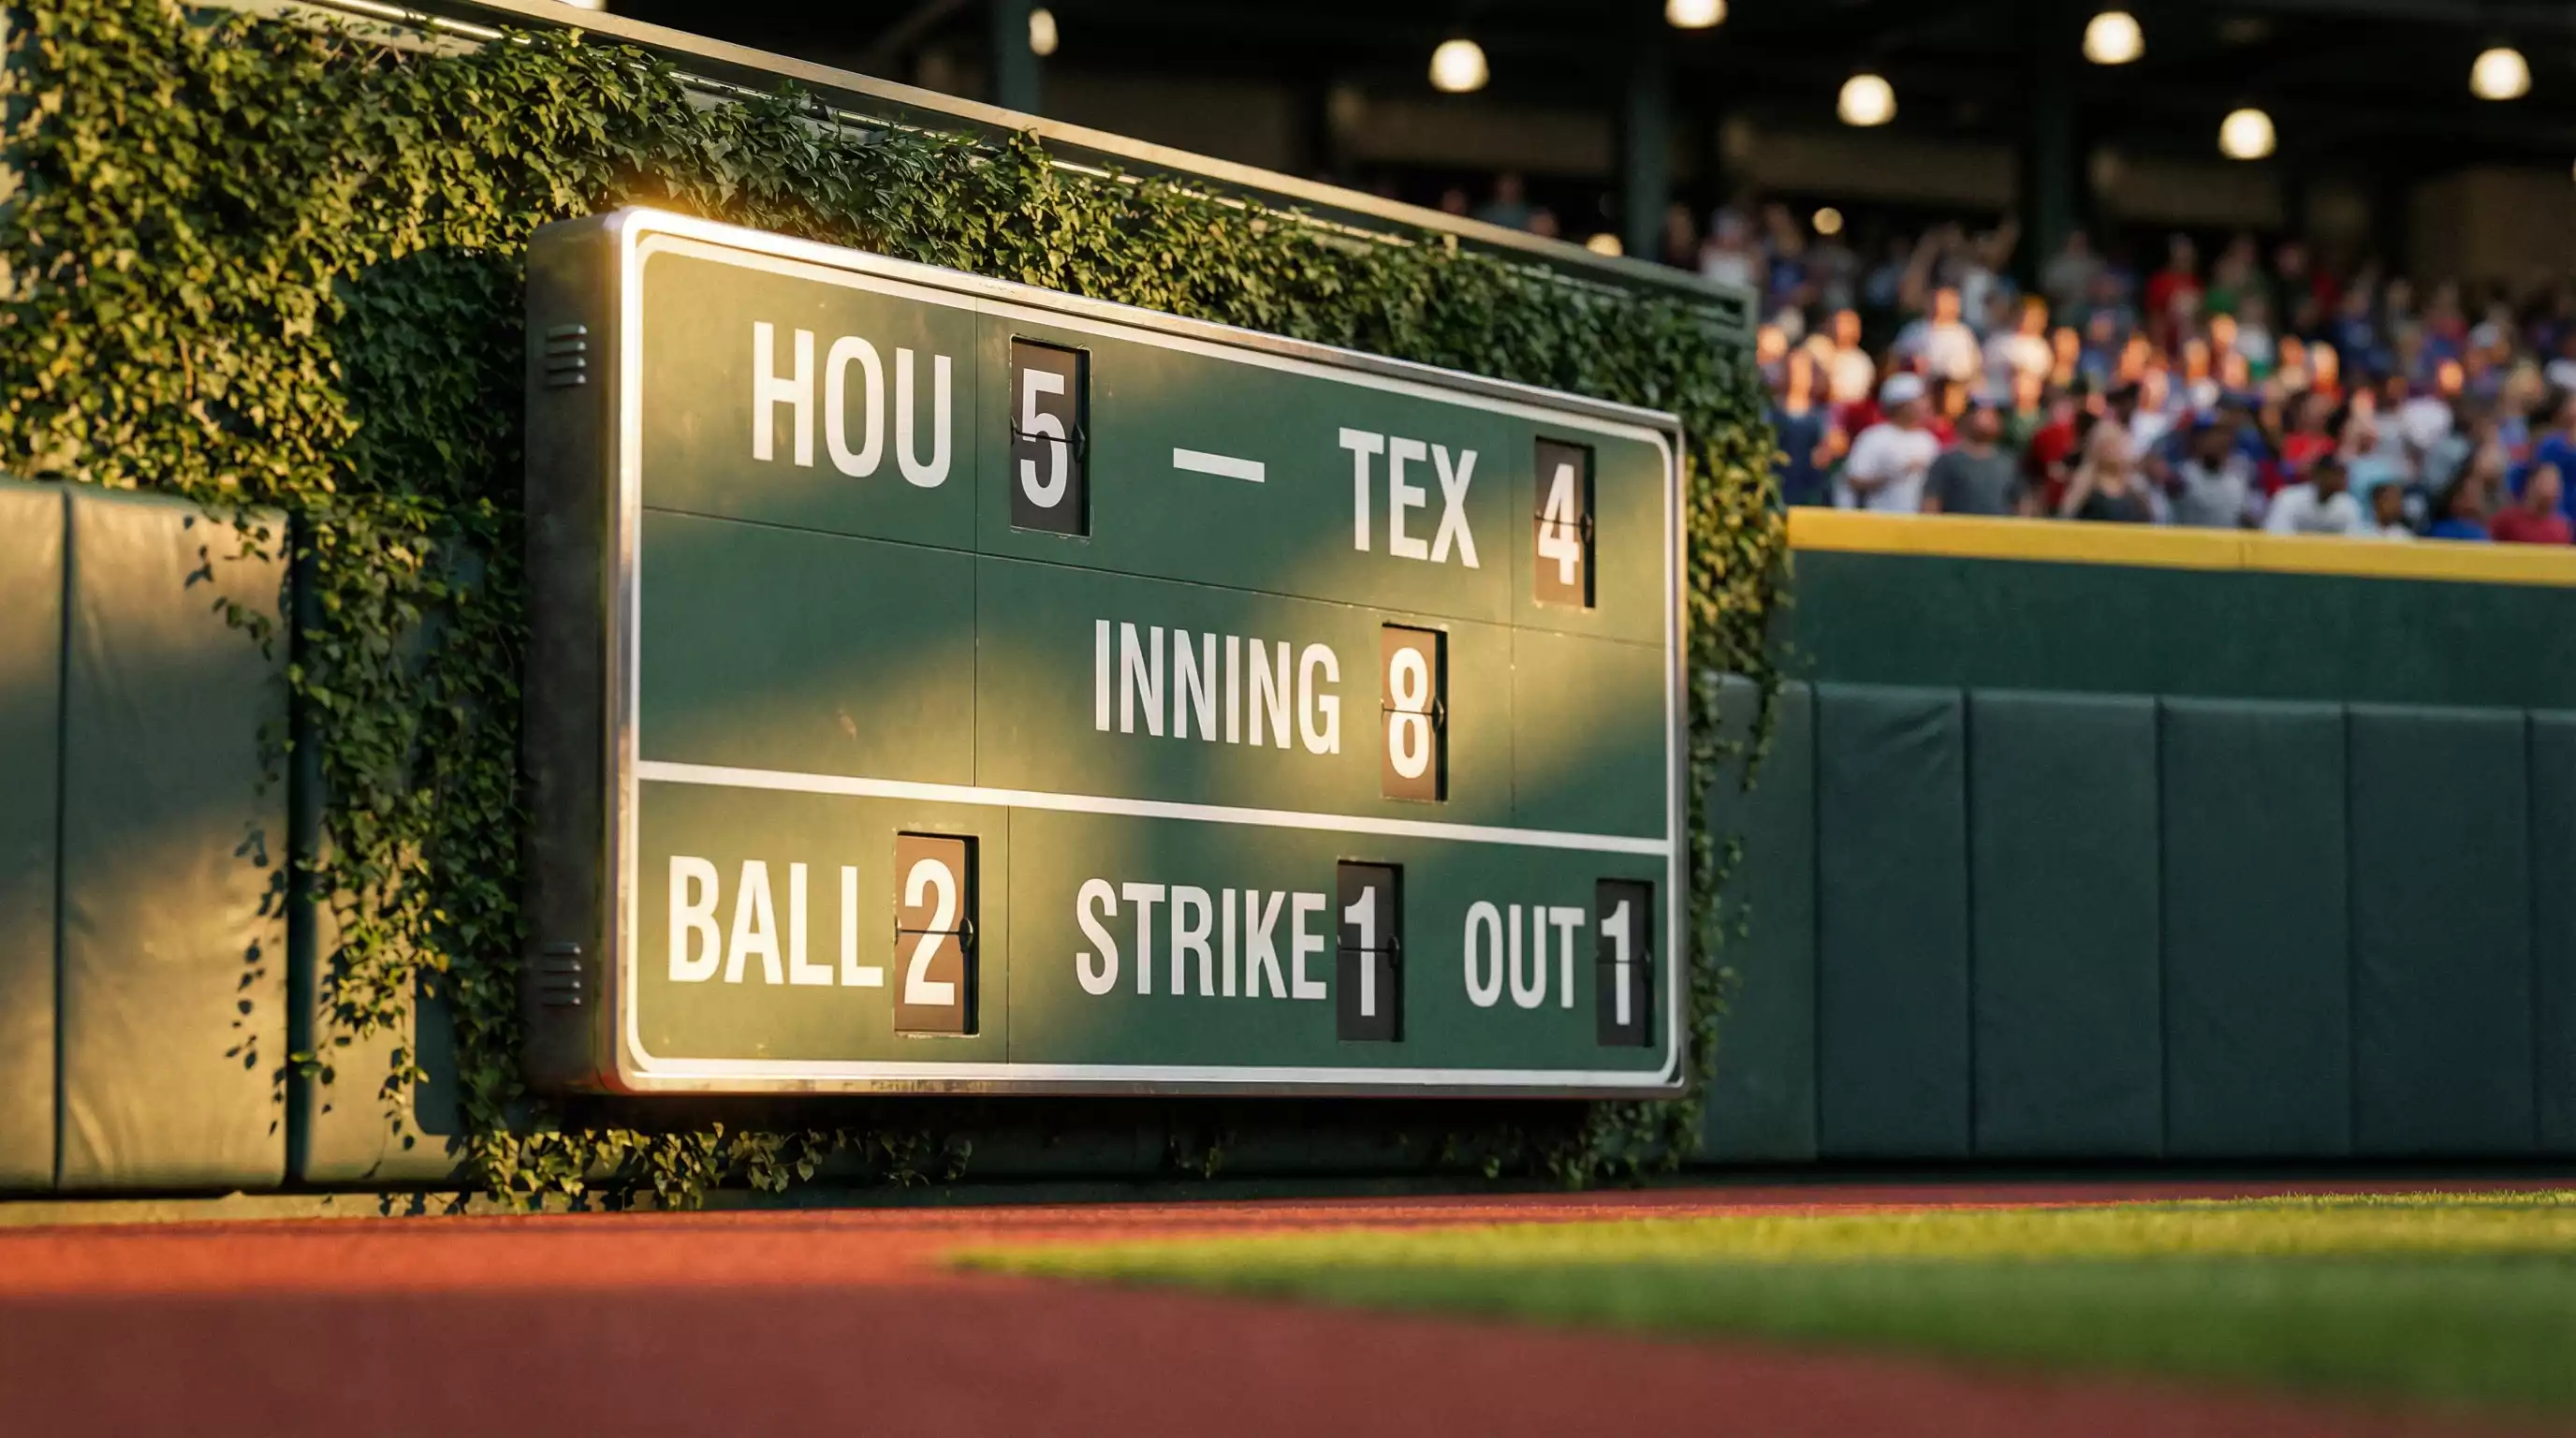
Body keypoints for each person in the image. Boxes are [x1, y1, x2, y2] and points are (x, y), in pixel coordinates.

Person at [1837, 374, 1941, 512]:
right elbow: (1853, 480)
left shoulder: (1928, 440)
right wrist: (1894, 473)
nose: (1925, 404)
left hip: (1919, 524)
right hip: (1880, 521)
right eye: (1919, 399)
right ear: (1901, 405)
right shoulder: (1874, 437)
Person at [1924, 398, 2024, 516]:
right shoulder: (1947, 461)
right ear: (1967, 418)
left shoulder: (2008, 462)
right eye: (1984, 414)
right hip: (1958, 531)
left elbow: (2021, 500)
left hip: (1997, 532)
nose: (1990, 419)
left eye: (1993, 415)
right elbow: (1931, 501)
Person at [1770, 349, 1835, 508]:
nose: (1795, 375)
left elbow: (1825, 453)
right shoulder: (1769, 411)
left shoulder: (1821, 416)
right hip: (1776, 486)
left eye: (1801, 370)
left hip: (1807, 489)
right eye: (1791, 369)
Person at [2167, 418, 2258, 528]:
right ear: (2198, 441)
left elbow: (2245, 516)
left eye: (2223, 435)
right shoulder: (2184, 475)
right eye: (2213, 435)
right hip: (2191, 542)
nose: (2219, 441)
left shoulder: (2237, 478)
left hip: (2228, 542)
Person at [1892, 286, 1980, 385]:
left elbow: (1972, 367)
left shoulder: (1963, 334)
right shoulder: (1914, 330)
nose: (1939, 305)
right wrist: (1911, 361)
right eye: (1936, 301)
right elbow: (1895, 358)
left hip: (1954, 386)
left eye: (1945, 302)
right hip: (1918, 385)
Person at [2264, 456, 2365, 536]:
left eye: (2342, 475)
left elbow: (2353, 543)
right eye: (2334, 474)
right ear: (2318, 474)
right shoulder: (2288, 499)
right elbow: (2275, 536)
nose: (2340, 480)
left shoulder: (2349, 505)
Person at [2492, 463, 2573, 544]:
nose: (2550, 488)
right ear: (2531, 484)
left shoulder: (2562, 528)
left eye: (2555, 483)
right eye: (2545, 481)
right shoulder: (2506, 520)